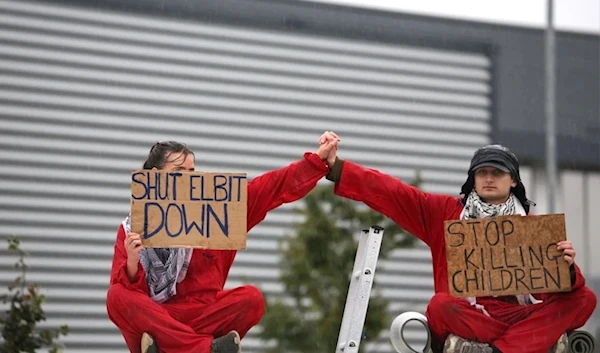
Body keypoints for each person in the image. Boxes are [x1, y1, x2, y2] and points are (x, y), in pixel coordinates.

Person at [322, 137, 597, 353]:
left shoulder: (534, 226)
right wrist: (337, 168)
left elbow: (567, 289)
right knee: (440, 306)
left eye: (498, 172)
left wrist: (568, 268)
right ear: (473, 179)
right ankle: (529, 345)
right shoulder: (444, 213)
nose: (489, 178)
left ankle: (498, 350)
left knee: (586, 298)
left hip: (521, 316)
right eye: (482, 172)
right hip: (474, 318)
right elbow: (392, 192)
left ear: (513, 180)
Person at [107, 133, 339, 353]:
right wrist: (133, 261)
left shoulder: (218, 211)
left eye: (192, 171)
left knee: (251, 299)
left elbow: (271, 187)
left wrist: (316, 162)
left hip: (200, 317)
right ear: (155, 177)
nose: (189, 178)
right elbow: (128, 298)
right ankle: (204, 349)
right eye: (179, 171)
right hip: (157, 318)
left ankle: (170, 348)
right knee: (117, 296)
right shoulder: (131, 229)